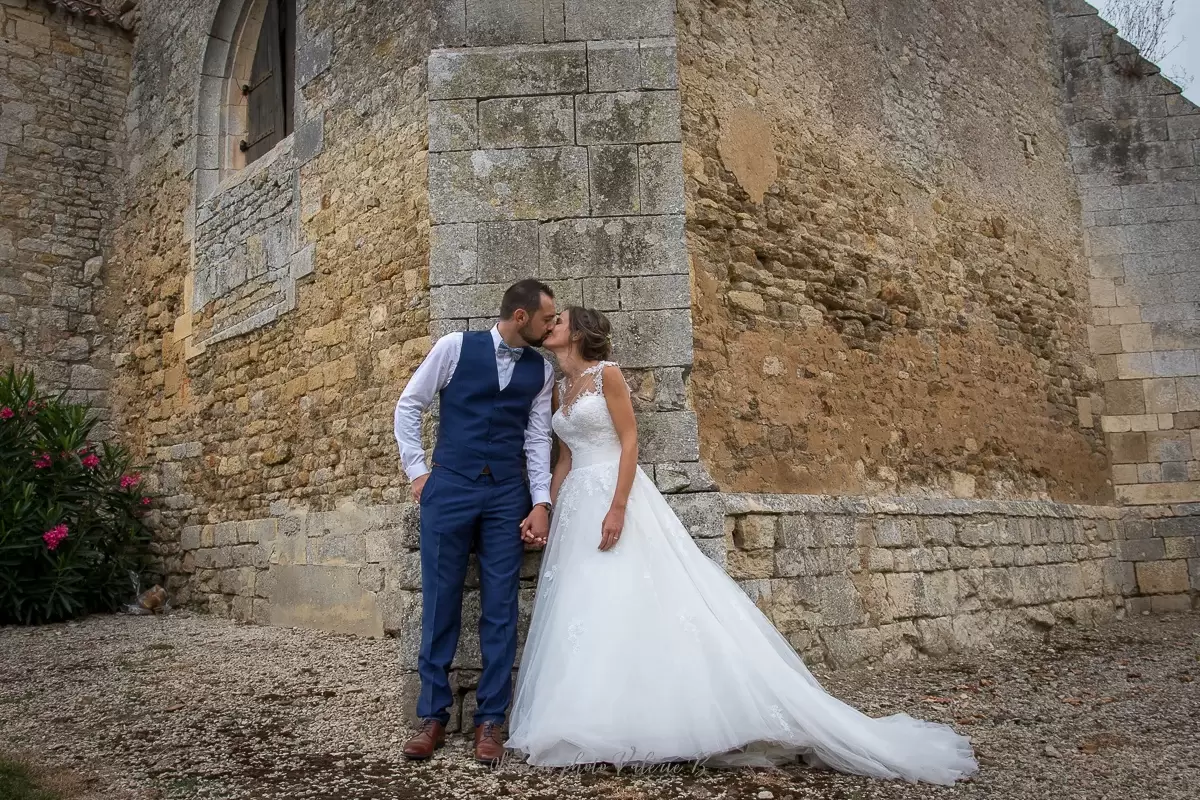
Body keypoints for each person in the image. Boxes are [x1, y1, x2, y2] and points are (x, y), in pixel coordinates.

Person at [504, 306, 980, 785]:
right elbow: (564, 457)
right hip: (576, 508)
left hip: (613, 493)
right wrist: (545, 508)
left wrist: (619, 507)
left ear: (580, 332)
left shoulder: (608, 375)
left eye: (560, 320)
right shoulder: (560, 388)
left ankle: (675, 717)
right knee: (586, 606)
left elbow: (630, 442)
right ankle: (590, 717)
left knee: (636, 594)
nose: (551, 325)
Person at [392, 279, 558, 765]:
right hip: (451, 487)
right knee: (441, 599)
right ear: (521, 316)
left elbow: (536, 439)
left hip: (508, 494)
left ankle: (491, 720)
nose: (552, 326)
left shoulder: (541, 371)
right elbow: (409, 405)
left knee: (501, 607)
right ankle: (433, 717)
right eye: (547, 318)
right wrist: (418, 471)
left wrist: (540, 501)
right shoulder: (454, 347)